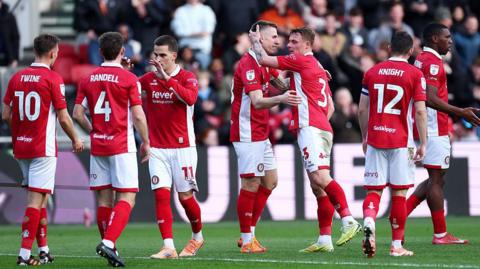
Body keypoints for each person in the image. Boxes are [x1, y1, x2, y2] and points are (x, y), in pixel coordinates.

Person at [249, 26, 361, 253]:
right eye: (288, 41)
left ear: (307, 45)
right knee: (317, 186)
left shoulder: (299, 61)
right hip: (321, 127)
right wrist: (317, 121)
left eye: (294, 41)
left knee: (321, 177)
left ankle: (348, 219)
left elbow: (262, 59)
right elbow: (329, 106)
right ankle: (324, 239)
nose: (289, 45)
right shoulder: (318, 67)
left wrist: (254, 40)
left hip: (311, 128)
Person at [2, 34, 84, 265]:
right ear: (52, 53)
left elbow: (6, 115)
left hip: (21, 148)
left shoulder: (16, 77)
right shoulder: (53, 78)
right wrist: (76, 138)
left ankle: (44, 249)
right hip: (43, 149)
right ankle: (25, 255)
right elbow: (64, 118)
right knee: (35, 201)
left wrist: (20, 133)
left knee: (40, 197)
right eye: (57, 52)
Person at [73, 32, 150, 267]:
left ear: (100, 51)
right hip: (121, 144)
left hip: (99, 144)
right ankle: (108, 243)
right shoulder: (129, 80)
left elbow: (77, 113)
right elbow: (137, 114)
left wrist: (94, 129)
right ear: (122, 52)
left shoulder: (88, 79)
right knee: (127, 197)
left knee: (104, 199)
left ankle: (111, 247)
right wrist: (146, 141)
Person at [231, 20, 301, 254]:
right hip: (246, 131)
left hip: (260, 132)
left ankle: (249, 234)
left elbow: (276, 86)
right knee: (251, 182)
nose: (278, 41)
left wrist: (300, 76)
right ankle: (246, 238)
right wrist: (282, 99)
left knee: (270, 181)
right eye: (273, 37)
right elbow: (259, 101)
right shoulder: (248, 64)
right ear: (259, 38)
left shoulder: (263, 64)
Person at [406, 23, 480, 244]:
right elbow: (428, 98)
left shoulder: (421, 59)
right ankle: (440, 235)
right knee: (436, 181)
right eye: (447, 37)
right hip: (433, 126)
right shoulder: (432, 62)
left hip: (428, 125)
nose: (451, 40)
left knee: (434, 180)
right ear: (434, 38)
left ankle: (398, 216)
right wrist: (461, 112)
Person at [358, 31, 428, 257]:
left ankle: (369, 220)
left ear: (389, 48)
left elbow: (361, 108)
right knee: (399, 194)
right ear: (410, 51)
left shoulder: (372, 72)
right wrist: (423, 143)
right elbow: (419, 111)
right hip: (401, 140)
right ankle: (396, 246)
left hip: (376, 138)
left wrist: (364, 136)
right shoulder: (415, 74)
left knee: (374, 191)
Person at [137, 35, 205, 259]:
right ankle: (168, 246)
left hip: (183, 147)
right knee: (161, 195)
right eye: (155, 55)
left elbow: (191, 98)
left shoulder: (187, 77)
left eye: (163, 55)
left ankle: (197, 236)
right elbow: (130, 90)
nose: (158, 59)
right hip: (157, 148)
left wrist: (166, 78)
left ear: (174, 56)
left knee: (185, 197)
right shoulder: (147, 79)